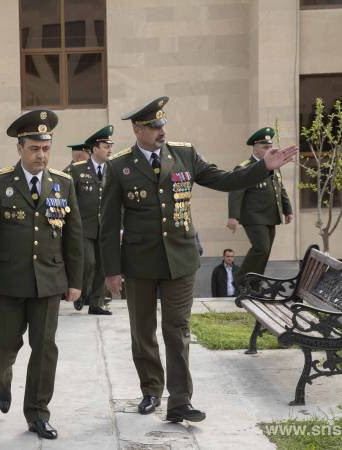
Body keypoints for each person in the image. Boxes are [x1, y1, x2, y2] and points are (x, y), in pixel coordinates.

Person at [100, 96, 297, 423]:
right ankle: (151, 389)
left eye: (163, 124)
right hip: (139, 262)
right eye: (154, 127)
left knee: (177, 328)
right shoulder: (118, 166)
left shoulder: (185, 154)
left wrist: (262, 167)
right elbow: (108, 224)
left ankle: (180, 400)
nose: (162, 131)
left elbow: (225, 180)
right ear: (138, 130)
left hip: (180, 258)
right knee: (143, 330)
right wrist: (111, 270)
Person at [0, 110, 83, 440]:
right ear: (20, 148)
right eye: (34, 149)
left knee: (45, 347)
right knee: (6, 344)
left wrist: (76, 281)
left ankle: (37, 412)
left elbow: (73, 236)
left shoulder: (63, 184)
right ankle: (3, 375)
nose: (41, 155)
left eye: (46, 149)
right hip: (8, 282)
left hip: (49, 280)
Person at [227, 127, 293, 286]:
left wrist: (287, 210)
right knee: (261, 248)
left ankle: (254, 284)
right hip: (253, 216)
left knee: (265, 251)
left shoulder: (273, 165)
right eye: (265, 147)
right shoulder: (245, 167)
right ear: (255, 148)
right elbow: (235, 191)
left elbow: (280, 189)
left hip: (271, 216)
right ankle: (241, 280)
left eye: (270, 147)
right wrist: (233, 216)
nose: (269, 150)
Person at [70, 126, 114, 315]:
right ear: (95, 148)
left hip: (105, 227)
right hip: (83, 226)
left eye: (110, 146)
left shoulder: (114, 169)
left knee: (102, 266)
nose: (109, 150)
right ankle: (79, 291)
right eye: (106, 146)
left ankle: (96, 303)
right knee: (88, 262)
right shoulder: (77, 170)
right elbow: (70, 198)